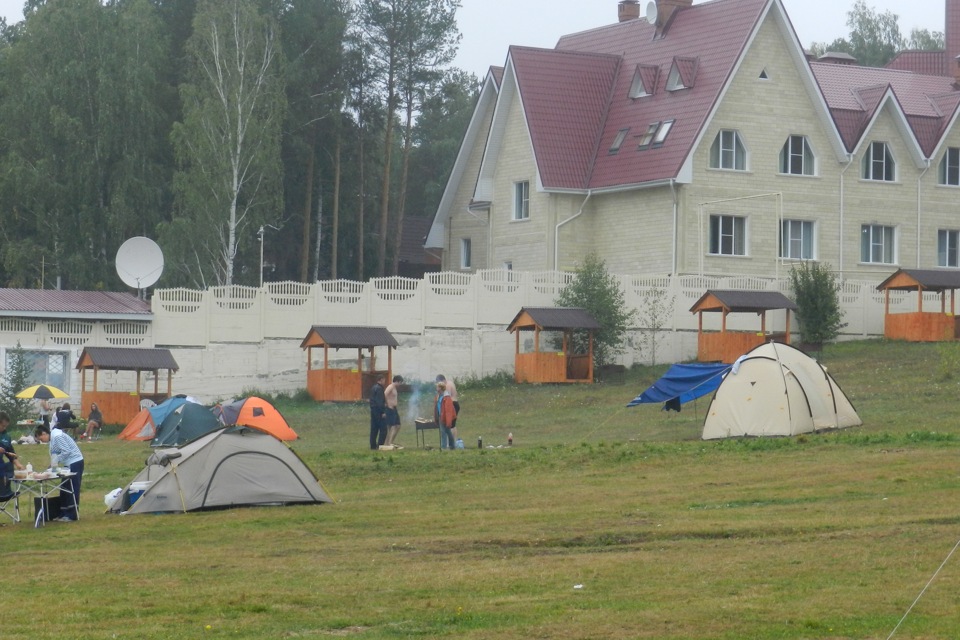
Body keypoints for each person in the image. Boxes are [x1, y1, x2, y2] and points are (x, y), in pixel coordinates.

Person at [34, 423, 83, 522]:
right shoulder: (53, 439)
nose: (42, 441)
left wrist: (56, 461)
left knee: (72, 488)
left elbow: (66, 451)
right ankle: (63, 513)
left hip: (75, 462)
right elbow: (55, 454)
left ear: (44, 434)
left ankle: (72, 514)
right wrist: (52, 465)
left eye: (41, 439)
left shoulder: (57, 436)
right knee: (64, 489)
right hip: (68, 464)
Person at [0, 412, 25, 497]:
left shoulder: (6, 436)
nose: (4, 428)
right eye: (3, 426)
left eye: (6, 426)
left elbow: (10, 452)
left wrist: (18, 464)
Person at [434, 381, 459, 450]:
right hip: (440, 416)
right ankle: (452, 446)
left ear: (441, 388)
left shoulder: (446, 398)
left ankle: (444, 447)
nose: (436, 388)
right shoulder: (438, 396)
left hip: (444, 417)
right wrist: (436, 417)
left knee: (443, 432)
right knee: (447, 431)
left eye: (437, 387)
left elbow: (448, 411)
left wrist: (448, 421)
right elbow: (436, 407)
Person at [382, 375, 403, 448]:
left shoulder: (394, 388)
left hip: (394, 408)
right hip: (389, 408)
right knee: (392, 426)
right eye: (400, 383)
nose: (400, 385)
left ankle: (391, 442)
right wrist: (387, 404)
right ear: (397, 381)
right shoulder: (390, 386)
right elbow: (384, 394)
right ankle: (388, 443)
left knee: (398, 425)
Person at [369, 374, 387, 450]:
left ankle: (373, 446)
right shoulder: (379, 389)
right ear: (381, 380)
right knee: (383, 429)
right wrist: (383, 412)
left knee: (374, 429)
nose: (384, 382)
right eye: (384, 380)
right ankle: (380, 446)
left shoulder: (373, 388)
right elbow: (379, 402)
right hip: (379, 411)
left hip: (373, 410)